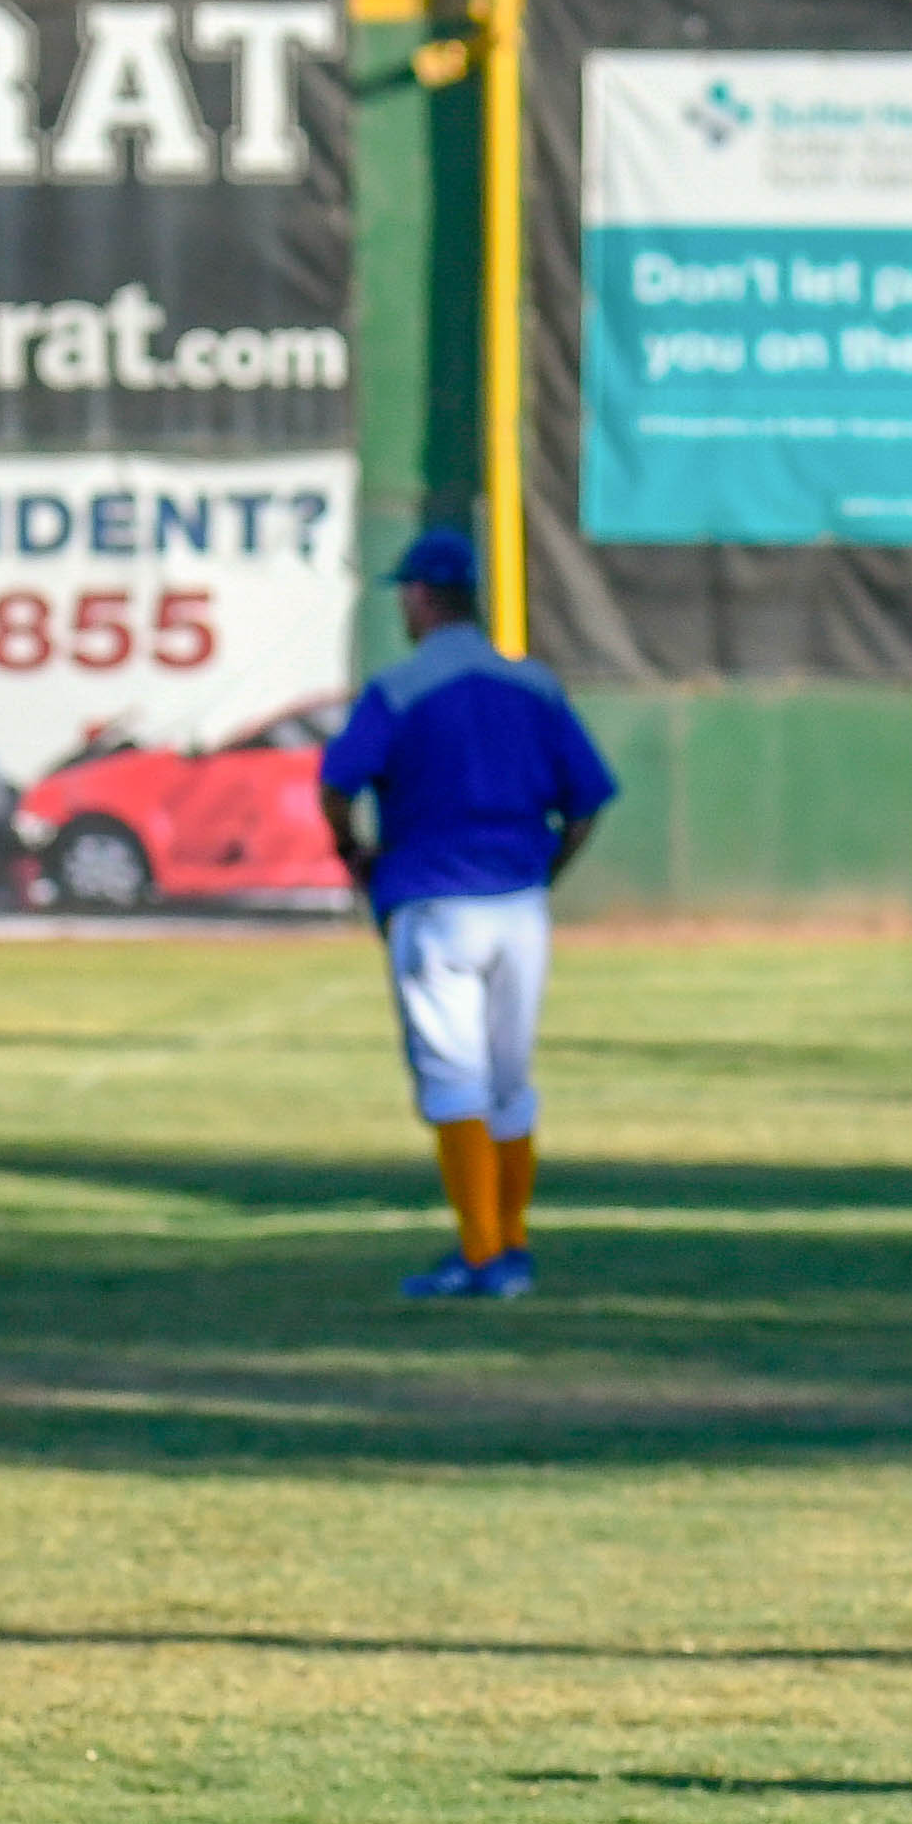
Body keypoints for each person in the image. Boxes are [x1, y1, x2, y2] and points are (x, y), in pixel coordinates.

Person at [319, 530, 619, 1300]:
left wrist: (354, 856)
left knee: (454, 1080)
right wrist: (545, 871)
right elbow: (585, 803)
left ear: (421, 596)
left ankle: (483, 1254)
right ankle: (510, 1247)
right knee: (510, 1082)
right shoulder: (535, 685)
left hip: (435, 900)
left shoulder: (399, 686)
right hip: (518, 904)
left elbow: (337, 782)